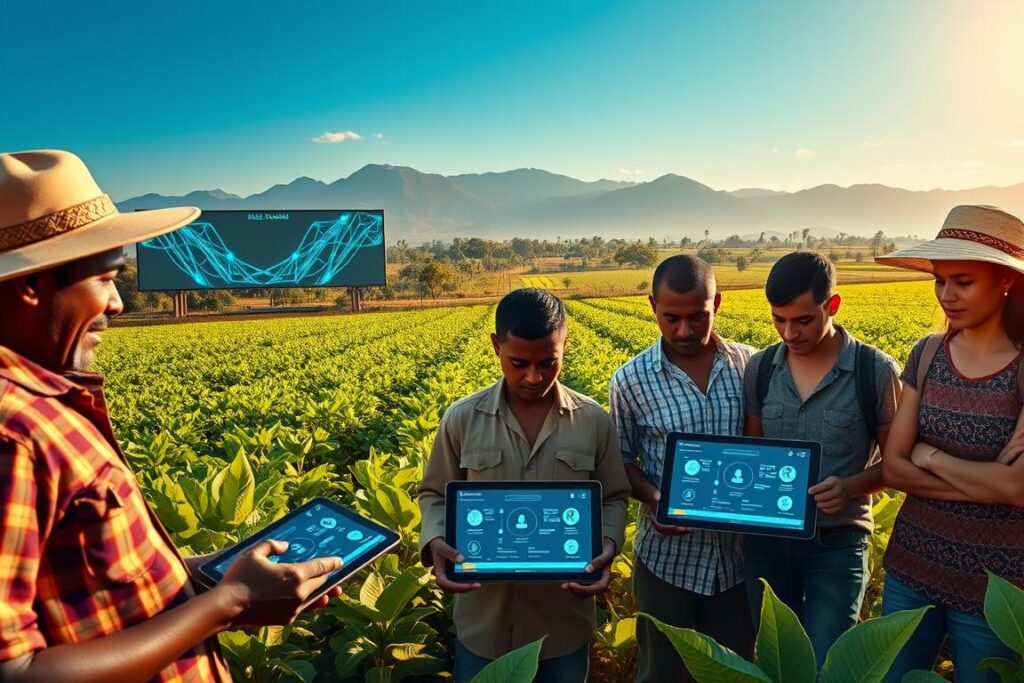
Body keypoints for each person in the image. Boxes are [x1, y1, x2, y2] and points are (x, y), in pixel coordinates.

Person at [0, 150, 343, 683]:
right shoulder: (12, 431)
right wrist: (227, 603)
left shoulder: (42, 406)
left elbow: (99, 588)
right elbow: (14, 671)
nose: (117, 303)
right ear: (30, 285)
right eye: (105, 279)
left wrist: (219, 572)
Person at [418, 288, 630, 683]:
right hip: (485, 625)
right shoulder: (462, 419)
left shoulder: (593, 421)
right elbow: (434, 493)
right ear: (496, 346)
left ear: (565, 345)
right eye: (518, 363)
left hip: (562, 626)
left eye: (549, 363)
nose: (534, 377)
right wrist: (435, 540)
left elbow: (614, 496)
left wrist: (607, 545)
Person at [876, 205, 1024, 683]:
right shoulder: (928, 352)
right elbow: (894, 470)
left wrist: (929, 454)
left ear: (1005, 281)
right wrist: (993, 485)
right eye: (940, 281)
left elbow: (1019, 489)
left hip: (996, 587)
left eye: (963, 281)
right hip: (911, 565)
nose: (947, 295)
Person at [743, 251, 901, 667]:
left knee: (827, 661)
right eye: (779, 319)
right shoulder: (760, 369)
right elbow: (753, 454)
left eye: (803, 320)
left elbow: (897, 464)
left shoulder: (875, 371)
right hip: (768, 543)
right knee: (777, 661)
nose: (789, 332)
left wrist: (850, 486)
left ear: (832, 305)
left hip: (837, 541)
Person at [609, 255, 756, 683]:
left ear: (718, 304)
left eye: (698, 317)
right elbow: (622, 461)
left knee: (734, 670)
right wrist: (655, 498)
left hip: (738, 560)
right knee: (664, 671)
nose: (684, 330)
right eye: (671, 318)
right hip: (668, 562)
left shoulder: (751, 367)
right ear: (652, 305)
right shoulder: (631, 380)